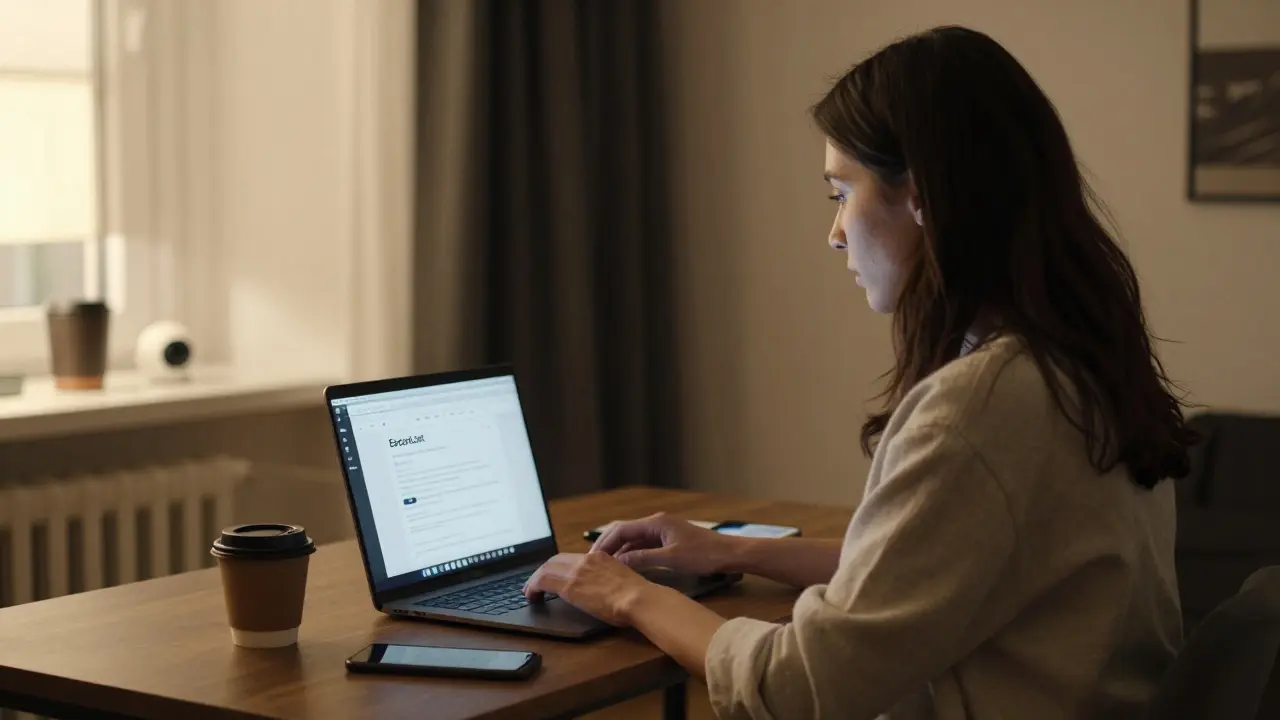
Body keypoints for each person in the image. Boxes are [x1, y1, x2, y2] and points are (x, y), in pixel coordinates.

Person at [523, 25, 1194, 720]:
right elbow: (914, 576)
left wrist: (630, 595)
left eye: (841, 192)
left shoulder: (979, 409)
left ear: (924, 194)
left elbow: (801, 688)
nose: (836, 232)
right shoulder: (1073, 364)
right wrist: (731, 550)